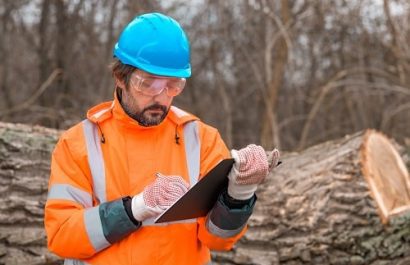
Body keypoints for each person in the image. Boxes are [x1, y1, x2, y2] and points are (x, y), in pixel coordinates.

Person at [44, 12, 280, 265]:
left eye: (172, 85)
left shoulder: (201, 139)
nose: (161, 97)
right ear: (120, 78)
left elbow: (219, 240)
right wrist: (133, 209)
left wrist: (239, 193)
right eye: (148, 84)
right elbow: (61, 236)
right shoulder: (79, 143)